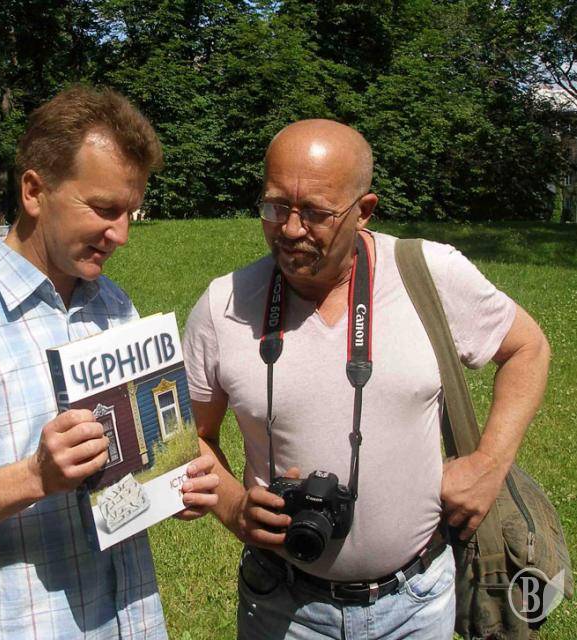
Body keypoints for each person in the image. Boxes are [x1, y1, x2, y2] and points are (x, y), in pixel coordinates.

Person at [182, 119, 550, 639]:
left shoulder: (428, 274)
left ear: (364, 211)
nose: (291, 229)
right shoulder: (223, 305)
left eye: (316, 213)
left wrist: (489, 464)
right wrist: (233, 506)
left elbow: (528, 348)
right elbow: (193, 436)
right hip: (281, 605)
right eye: (276, 207)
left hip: (418, 603)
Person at [0, 85, 218, 639]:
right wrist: (34, 477)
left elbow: (131, 467)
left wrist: (173, 483)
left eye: (130, 212)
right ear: (35, 191)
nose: (122, 235)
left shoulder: (113, 305)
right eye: (104, 209)